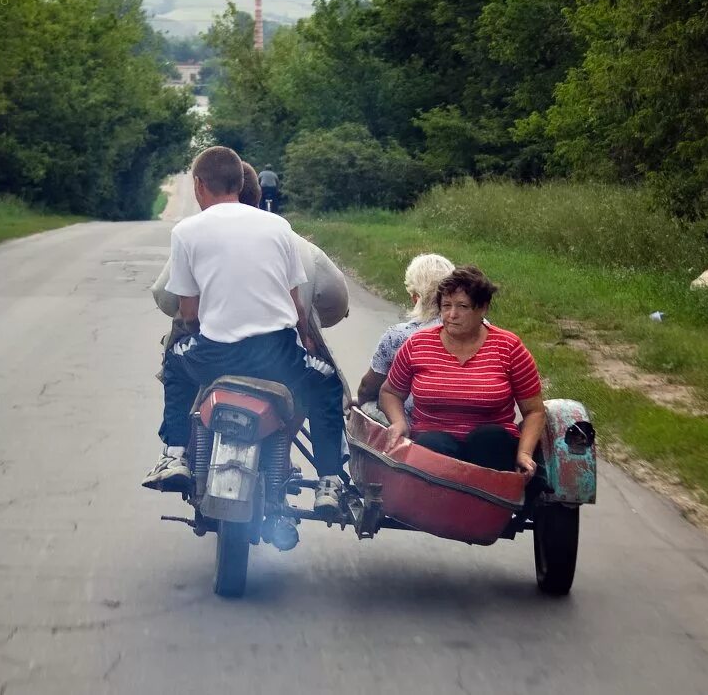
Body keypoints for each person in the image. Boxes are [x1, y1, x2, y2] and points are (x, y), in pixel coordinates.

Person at [142, 146, 345, 512]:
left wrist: (206, 330)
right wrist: (309, 341)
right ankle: (329, 480)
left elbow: (188, 313)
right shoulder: (279, 227)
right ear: (242, 183)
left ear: (199, 185)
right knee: (326, 383)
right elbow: (297, 305)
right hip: (278, 358)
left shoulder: (187, 232)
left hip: (216, 358)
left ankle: (175, 454)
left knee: (174, 361)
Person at [378, 265, 543, 482]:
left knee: (488, 438)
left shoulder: (509, 347)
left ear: (482, 308)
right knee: (433, 444)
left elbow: (534, 411)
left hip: (491, 452)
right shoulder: (418, 344)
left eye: (462, 306)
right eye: (446, 306)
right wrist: (399, 422)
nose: (452, 315)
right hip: (433, 446)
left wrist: (524, 453)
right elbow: (390, 392)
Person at [356, 253, 454, 409]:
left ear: (415, 297)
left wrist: (360, 401)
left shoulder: (399, 335)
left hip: (415, 422)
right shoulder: (480, 327)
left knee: (367, 405)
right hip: (474, 420)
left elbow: (368, 387)